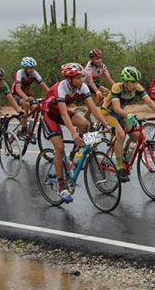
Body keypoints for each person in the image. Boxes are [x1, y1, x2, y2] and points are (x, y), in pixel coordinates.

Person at [41, 63, 110, 203]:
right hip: (50, 115)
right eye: (78, 78)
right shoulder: (60, 88)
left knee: (85, 124)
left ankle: (74, 154)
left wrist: (106, 125)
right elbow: (63, 115)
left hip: (62, 112)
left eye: (82, 77)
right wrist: (73, 133)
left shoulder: (82, 86)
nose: (81, 80)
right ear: (69, 79)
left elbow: (93, 108)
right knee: (60, 148)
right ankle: (61, 187)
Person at [101, 66, 155, 182]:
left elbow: (149, 101)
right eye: (132, 82)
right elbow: (116, 108)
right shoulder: (117, 87)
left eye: (136, 82)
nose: (135, 85)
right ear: (125, 82)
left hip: (121, 114)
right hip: (107, 113)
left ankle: (124, 153)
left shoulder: (138, 87)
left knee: (136, 135)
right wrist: (128, 115)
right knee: (121, 134)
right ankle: (119, 167)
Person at [11, 56, 49, 139]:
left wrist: (51, 94)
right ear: (25, 68)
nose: (32, 70)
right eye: (30, 68)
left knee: (36, 108)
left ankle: (30, 130)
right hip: (16, 94)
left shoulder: (34, 73)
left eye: (33, 67)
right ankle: (23, 130)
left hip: (26, 94)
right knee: (26, 104)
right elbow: (18, 89)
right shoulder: (20, 73)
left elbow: (43, 84)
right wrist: (26, 98)